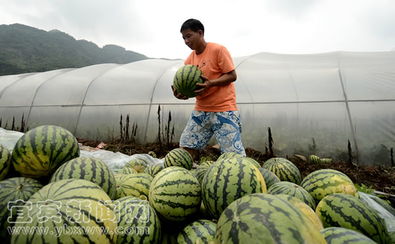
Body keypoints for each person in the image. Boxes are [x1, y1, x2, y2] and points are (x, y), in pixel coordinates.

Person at [172, 18, 246, 159]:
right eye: (183, 38)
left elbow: (232, 75)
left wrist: (210, 83)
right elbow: (193, 89)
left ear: (200, 33)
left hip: (224, 109)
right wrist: (182, 94)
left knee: (234, 157)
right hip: (201, 110)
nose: (186, 41)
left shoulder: (218, 50)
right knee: (186, 148)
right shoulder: (189, 61)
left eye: (189, 36)